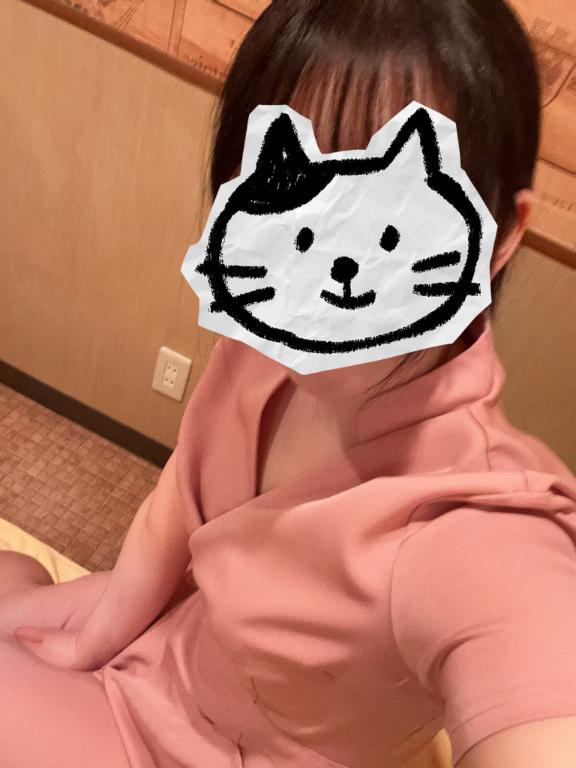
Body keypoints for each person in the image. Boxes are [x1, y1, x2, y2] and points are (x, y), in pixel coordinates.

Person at [2, 1, 576, 766]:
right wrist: (88, 644)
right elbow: (177, 502)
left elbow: (536, 677)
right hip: (172, 648)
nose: (336, 270)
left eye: (386, 222)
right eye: (299, 207)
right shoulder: (264, 336)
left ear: (499, 236)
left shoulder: (478, 525)